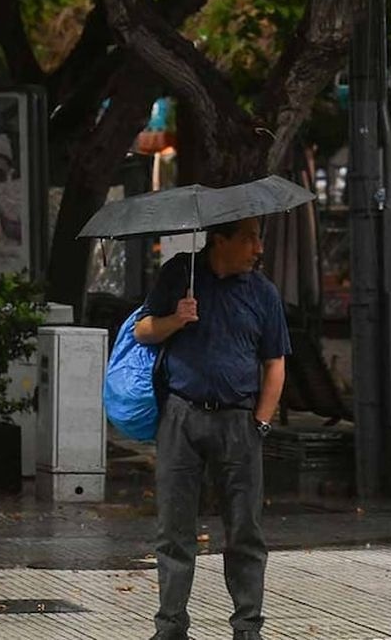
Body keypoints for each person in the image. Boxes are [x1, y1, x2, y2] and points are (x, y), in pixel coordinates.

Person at [135, 216, 291, 640]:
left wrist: (260, 422)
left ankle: (247, 628)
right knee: (173, 530)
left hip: (239, 421)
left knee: (244, 530)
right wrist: (176, 319)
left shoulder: (263, 292)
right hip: (181, 416)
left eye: (259, 238)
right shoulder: (180, 274)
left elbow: (275, 362)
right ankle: (170, 628)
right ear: (220, 240)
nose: (259, 248)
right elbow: (142, 330)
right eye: (250, 238)